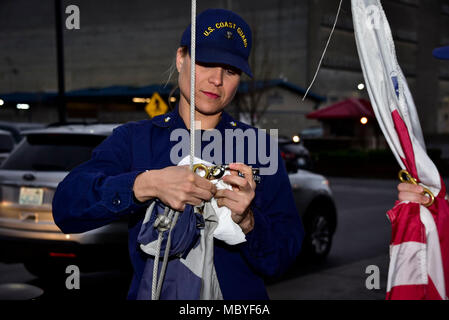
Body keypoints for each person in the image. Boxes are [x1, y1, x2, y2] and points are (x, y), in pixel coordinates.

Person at [53, 8, 429, 300]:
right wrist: (145, 183)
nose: (216, 80)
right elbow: (66, 209)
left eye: (230, 70)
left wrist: (248, 221)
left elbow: (282, 257)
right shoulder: (135, 140)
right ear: (181, 58)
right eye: (205, 63)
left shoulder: (260, 148)